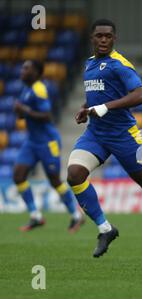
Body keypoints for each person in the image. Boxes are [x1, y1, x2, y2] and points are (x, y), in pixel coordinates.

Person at [66, 19, 142, 258]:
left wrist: (105, 107)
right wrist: (85, 108)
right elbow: (98, 94)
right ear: (92, 38)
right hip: (96, 134)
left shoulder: (120, 64)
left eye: (108, 36)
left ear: (114, 39)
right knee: (74, 175)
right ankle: (105, 229)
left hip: (124, 134)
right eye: (99, 36)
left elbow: (140, 95)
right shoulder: (89, 64)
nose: (103, 40)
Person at [13, 60, 84, 232]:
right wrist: (22, 113)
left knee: (54, 180)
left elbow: (46, 116)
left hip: (47, 141)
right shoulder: (26, 89)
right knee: (18, 175)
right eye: (22, 68)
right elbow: (26, 115)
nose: (22, 71)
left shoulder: (39, 88)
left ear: (36, 73)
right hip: (32, 141)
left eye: (26, 68)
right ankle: (35, 216)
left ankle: (76, 215)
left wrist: (25, 111)